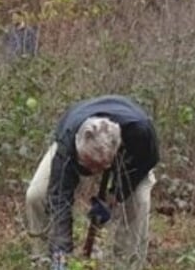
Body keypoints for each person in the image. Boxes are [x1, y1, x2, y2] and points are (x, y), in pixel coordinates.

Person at [25, 95, 159, 270]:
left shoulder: (140, 134)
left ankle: (129, 263)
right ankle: (43, 261)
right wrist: (61, 250)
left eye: (101, 166)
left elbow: (146, 163)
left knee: (138, 202)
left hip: (131, 159)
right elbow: (58, 199)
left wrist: (116, 195)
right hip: (73, 140)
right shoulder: (67, 145)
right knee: (36, 195)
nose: (95, 171)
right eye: (89, 164)